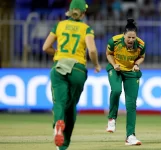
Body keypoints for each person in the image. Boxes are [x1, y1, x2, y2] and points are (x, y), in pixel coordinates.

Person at [42, 0, 101, 149]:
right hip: (78, 70)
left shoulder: (59, 25)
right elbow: (92, 50)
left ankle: (58, 124)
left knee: (59, 103)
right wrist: (96, 65)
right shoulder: (86, 29)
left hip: (60, 67)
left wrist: (57, 53)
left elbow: (45, 47)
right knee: (71, 106)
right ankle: (64, 144)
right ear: (83, 12)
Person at [105, 18, 146, 146]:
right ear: (124, 35)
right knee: (116, 90)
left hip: (131, 72)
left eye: (133, 38)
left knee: (131, 104)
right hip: (116, 69)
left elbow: (142, 57)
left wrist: (137, 64)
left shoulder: (141, 44)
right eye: (129, 37)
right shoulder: (114, 41)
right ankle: (112, 118)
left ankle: (130, 136)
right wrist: (114, 64)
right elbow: (108, 54)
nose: (131, 40)